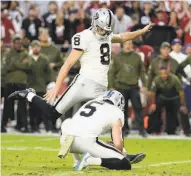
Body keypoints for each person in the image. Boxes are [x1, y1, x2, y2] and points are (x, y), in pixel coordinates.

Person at [9, 8, 154, 164]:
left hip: (100, 88)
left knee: (113, 116)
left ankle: (122, 153)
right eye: (100, 28)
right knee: (52, 114)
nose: (103, 32)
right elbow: (68, 64)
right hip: (83, 83)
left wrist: (140, 32)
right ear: (94, 23)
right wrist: (57, 87)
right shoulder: (84, 37)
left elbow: (123, 37)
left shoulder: (106, 35)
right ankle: (28, 95)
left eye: (106, 30)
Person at [59, 90, 132, 171]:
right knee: (125, 163)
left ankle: (77, 160)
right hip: (85, 142)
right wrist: (119, 150)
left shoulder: (91, 102)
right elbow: (118, 144)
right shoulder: (117, 112)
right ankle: (90, 160)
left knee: (70, 124)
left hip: (65, 139)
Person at [108, 40, 148, 137]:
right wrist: (111, 86)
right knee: (122, 110)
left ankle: (142, 130)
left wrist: (145, 85)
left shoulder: (137, 57)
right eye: (126, 44)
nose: (128, 46)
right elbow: (111, 73)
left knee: (138, 108)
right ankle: (124, 130)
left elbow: (142, 72)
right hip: (121, 87)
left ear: (132, 45)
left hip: (134, 87)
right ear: (123, 45)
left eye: (130, 44)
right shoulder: (118, 57)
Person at [1, 36, 32, 133]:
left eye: (20, 43)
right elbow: (6, 67)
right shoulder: (8, 53)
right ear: (12, 44)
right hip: (10, 83)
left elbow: (28, 66)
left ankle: (25, 127)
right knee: (7, 105)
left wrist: (14, 64)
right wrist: (20, 64)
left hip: (22, 83)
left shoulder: (26, 53)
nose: (18, 45)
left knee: (22, 106)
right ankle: (3, 126)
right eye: (16, 43)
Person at [148, 67, 190, 135]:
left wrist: (182, 105)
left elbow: (181, 92)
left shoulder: (175, 78)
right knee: (153, 109)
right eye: (161, 74)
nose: (163, 75)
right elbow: (153, 93)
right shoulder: (156, 79)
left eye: (165, 74)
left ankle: (187, 131)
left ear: (168, 73)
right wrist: (153, 104)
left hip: (174, 97)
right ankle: (153, 130)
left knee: (183, 110)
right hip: (162, 97)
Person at [28, 40, 52, 132]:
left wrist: (47, 83)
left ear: (40, 48)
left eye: (37, 46)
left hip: (41, 87)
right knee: (32, 109)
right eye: (34, 46)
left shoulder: (44, 59)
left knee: (41, 108)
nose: (36, 48)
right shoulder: (28, 58)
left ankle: (41, 126)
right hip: (31, 87)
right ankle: (33, 127)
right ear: (32, 48)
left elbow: (48, 73)